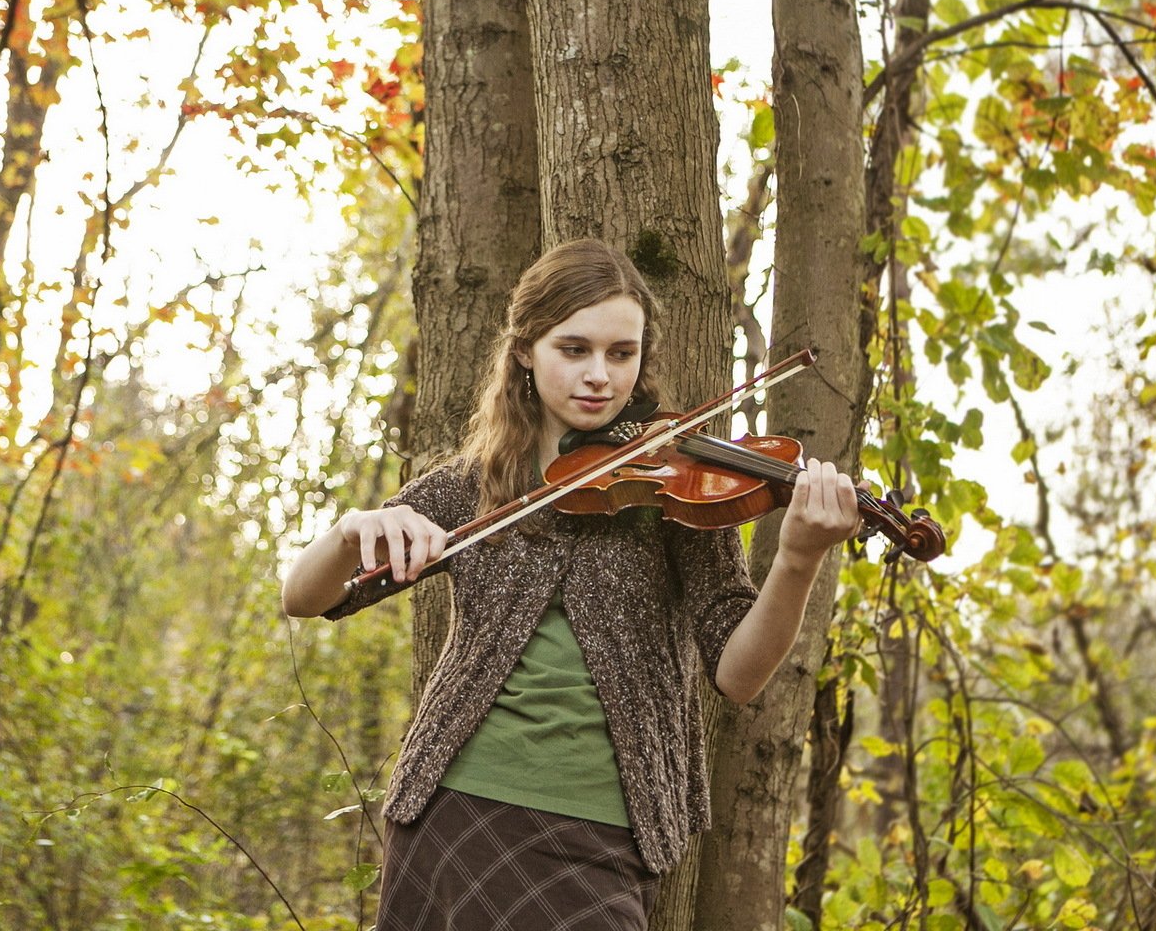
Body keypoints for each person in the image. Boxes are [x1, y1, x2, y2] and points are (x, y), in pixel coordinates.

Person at [281, 239, 863, 930]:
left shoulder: (675, 481)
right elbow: (303, 597)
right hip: (455, 809)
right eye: (574, 349)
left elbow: (737, 675)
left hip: (605, 828)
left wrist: (797, 561)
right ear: (526, 349)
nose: (599, 376)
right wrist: (353, 529)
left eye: (621, 354)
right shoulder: (473, 483)